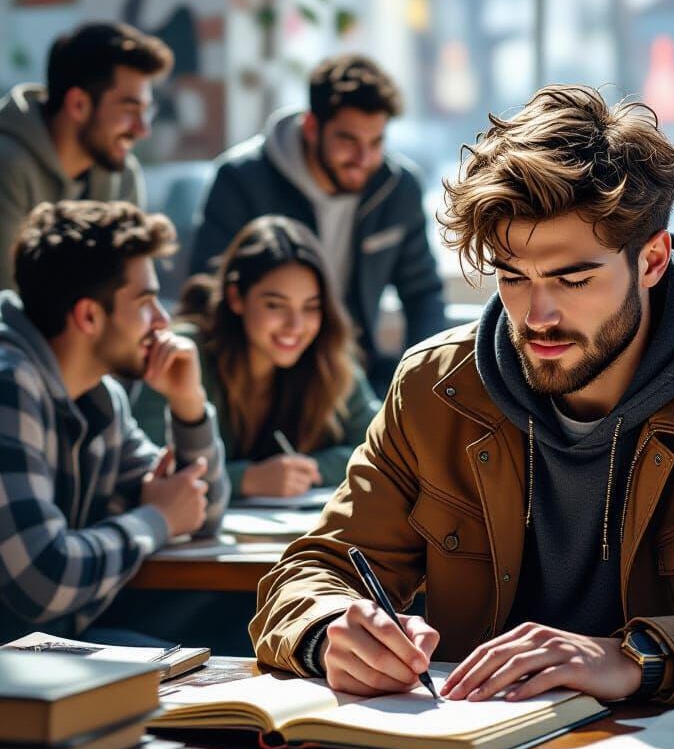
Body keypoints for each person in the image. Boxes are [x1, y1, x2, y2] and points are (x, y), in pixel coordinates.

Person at [250, 84, 674, 705]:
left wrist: (643, 657)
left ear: (652, 260)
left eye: (573, 279)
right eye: (513, 277)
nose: (536, 316)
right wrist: (332, 631)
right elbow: (311, 572)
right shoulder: (435, 388)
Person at [0, 200, 228, 644]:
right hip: (18, 666)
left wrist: (188, 404)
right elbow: (42, 579)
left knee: (231, 629)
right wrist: (156, 518)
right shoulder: (10, 385)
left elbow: (199, 513)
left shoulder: (100, 396)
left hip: (51, 650)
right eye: (145, 302)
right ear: (88, 315)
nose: (163, 321)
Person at [189, 54, 447, 394]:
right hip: (258, 375)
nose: (363, 159)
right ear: (311, 128)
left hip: (352, 373)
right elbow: (207, 289)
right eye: (348, 141)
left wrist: (424, 382)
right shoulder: (241, 180)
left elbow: (422, 292)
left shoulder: (398, 188)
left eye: (376, 142)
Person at [132, 216, 380, 502]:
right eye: (275, 305)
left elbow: (381, 449)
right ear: (236, 297)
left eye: (311, 307)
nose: (295, 326)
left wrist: (306, 471)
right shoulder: (185, 354)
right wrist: (247, 479)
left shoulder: (328, 353)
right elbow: (147, 468)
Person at [0, 21, 173, 289]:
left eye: (147, 111)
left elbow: (133, 293)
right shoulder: (8, 164)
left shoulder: (123, 175)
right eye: (130, 110)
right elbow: (6, 298)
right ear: (78, 104)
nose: (143, 130)